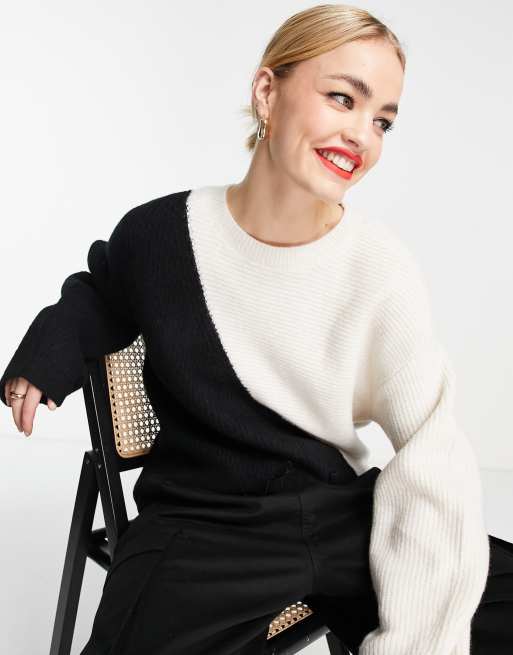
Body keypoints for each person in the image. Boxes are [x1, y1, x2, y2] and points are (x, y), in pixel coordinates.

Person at [2, 4, 512, 654]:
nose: (363, 134)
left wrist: (420, 635)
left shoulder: (380, 268)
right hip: (201, 523)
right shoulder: (161, 236)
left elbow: (432, 448)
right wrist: (45, 359)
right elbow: (101, 293)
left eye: (382, 120)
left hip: (338, 510)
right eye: (342, 98)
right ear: (267, 92)